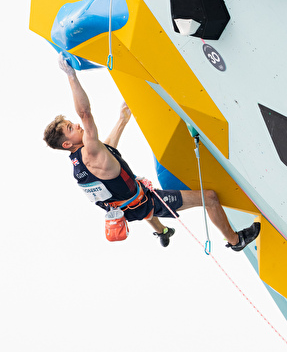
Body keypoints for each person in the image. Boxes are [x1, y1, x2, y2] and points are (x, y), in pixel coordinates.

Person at [43, 53, 261, 249]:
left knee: (137, 195)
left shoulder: (80, 165)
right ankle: (236, 241)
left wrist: (122, 120)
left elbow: (107, 151)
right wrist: (71, 75)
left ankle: (162, 231)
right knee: (210, 198)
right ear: (66, 144)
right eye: (71, 128)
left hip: (129, 209)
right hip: (144, 202)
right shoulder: (89, 151)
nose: (78, 126)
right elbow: (85, 113)